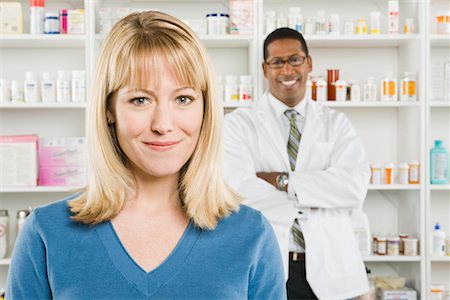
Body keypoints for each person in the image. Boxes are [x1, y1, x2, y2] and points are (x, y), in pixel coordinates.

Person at [7, 11, 286, 299]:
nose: (163, 124)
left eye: (183, 99)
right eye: (140, 100)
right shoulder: (46, 234)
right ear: (108, 109)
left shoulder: (251, 235)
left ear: (206, 109)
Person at [223, 27, 371, 299]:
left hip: (332, 269)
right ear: (265, 69)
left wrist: (284, 181)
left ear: (309, 63)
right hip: (269, 262)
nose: (287, 70)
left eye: (295, 60)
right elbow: (237, 191)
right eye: (277, 62)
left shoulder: (336, 124)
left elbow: (353, 187)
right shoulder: (238, 124)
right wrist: (320, 191)